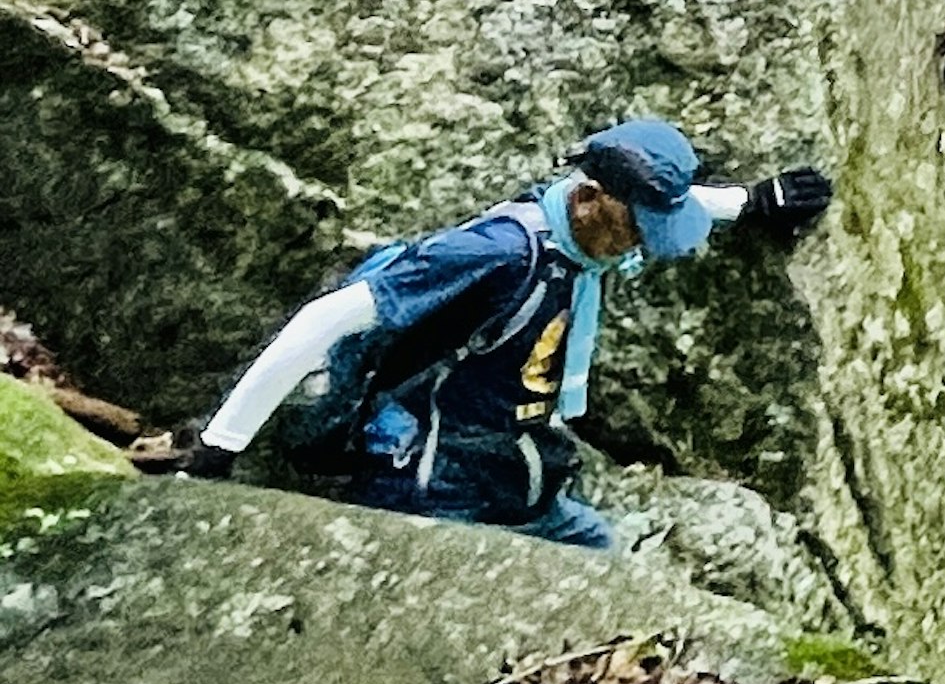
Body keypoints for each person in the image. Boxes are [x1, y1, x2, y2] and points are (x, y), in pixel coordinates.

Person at [176, 116, 833, 551]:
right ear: (589, 198)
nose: (643, 246)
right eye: (637, 229)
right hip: (428, 482)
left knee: (604, 564)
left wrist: (753, 202)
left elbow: (674, 203)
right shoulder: (493, 255)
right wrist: (220, 445)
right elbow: (323, 321)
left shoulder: (588, 240)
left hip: (520, 472)